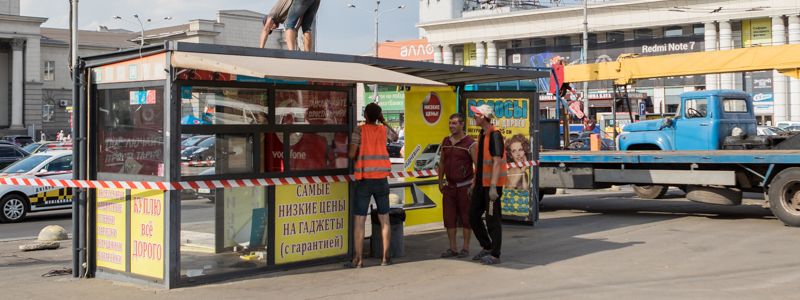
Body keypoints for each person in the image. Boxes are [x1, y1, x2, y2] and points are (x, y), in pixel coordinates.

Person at [347, 103, 398, 268]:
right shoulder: (383, 130)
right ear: (378, 116)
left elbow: (351, 153)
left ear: (365, 115)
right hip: (382, 179)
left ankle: (358, 259)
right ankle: (385, 258)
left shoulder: (359, 130)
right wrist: (383, 121)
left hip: (364, 180)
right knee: (385, 219)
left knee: (360, 220)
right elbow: (396, 137)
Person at [469, 104, 507, 265]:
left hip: (491, 185)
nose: (474, 118)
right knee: (472, 216)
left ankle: (495, 254)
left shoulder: (494, 135)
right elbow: (481, 163)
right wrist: (474, 182)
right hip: (480, 184)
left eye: (476, 115)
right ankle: (487, 246)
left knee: (493, 220)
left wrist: (493, 187)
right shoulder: (482, 134)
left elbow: (497, 162)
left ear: (483, 117)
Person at [437, 113, 477, 259]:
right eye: (450, 123)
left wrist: (473, 185)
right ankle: (452, 248)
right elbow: (441, 162)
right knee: (449, 218)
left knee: (466, 219)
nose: (451, 126)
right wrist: (440, 181)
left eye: (454, 123)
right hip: (449, 187)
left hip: (465, 187)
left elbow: (477, 166)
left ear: (462, 125)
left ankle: (465, 248)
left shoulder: (470, 143)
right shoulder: (446, 141)